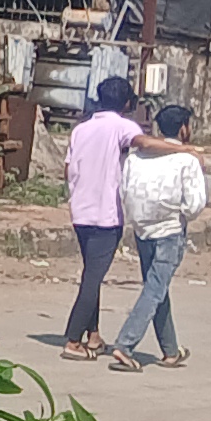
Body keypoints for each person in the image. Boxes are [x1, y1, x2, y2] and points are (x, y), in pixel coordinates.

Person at [108, 106, 209, 369]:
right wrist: (181, 213)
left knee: (156, 287)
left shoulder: (136, 158)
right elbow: (195, 205)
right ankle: (125, 345)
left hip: (142, 230)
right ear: (184, 128)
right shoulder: (188, 160)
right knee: (155, 289)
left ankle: (170, 350)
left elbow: (125, 191)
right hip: (169, 232)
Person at [58, 76, 142, 358]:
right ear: (127, 103)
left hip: (81, 211)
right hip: (106, 215)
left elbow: (68, 168)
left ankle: (93, 335)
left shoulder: (81, 129)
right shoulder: (123, 126)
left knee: (91, 273)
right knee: (92, 278)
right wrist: (180, 148)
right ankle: (73, 340)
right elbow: (140, 142)